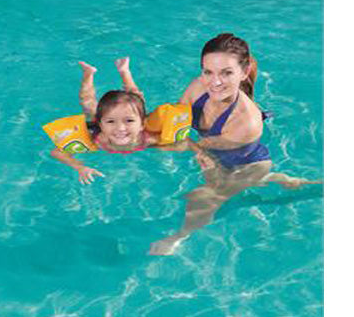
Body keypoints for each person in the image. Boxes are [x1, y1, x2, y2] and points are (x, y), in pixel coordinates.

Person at [149, 33, 322, 255]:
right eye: (208, 72)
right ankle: (282, 180)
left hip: (247, 164)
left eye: (227, 73)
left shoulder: (247, 122)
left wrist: (155, 142)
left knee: (206, 196)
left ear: (244, 72)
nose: (215, 82)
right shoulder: (198, 87)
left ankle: (177, 238)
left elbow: (200, 146)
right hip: (213, 152)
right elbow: (176, 122)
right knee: (227, 187)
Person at [50, 58, 159, 184]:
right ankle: (88, 74)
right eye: (111, 122)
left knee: (136, 102)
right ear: (100, 124)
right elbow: (57, 152)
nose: (120, 128)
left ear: (142, 125)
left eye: (129, 121)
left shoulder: (148, 138)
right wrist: (80, 167)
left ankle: (124, 71)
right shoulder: (95, 139)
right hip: (99, 124)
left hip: (128, 121)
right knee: (88, 104)